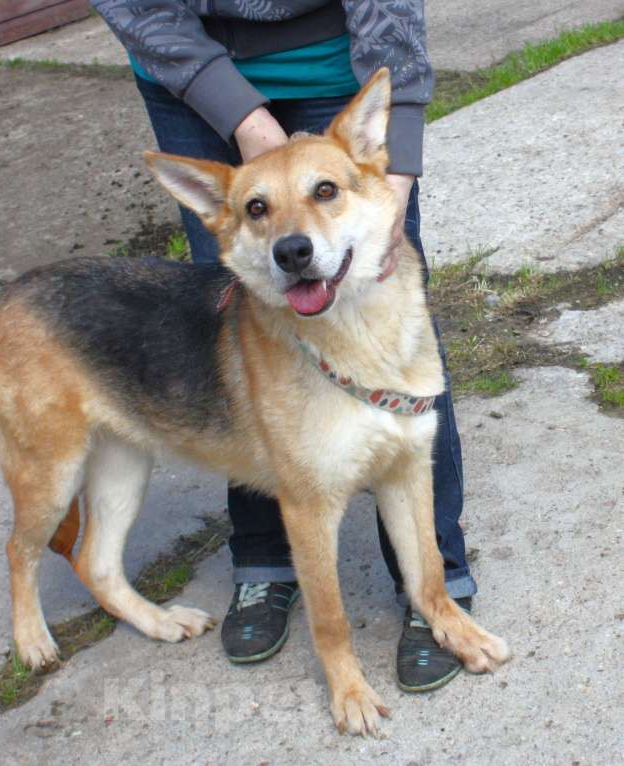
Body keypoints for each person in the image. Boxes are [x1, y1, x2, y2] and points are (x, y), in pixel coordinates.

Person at [92, 0, 478, 692]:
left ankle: (435, 585)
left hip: (341, 59)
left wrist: (395, 172)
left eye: (323, 194)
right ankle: (265, 560)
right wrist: (241, 119)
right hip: (183, 59)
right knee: (234, 338)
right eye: (265, 212)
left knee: (386, 301)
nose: (293, 236)